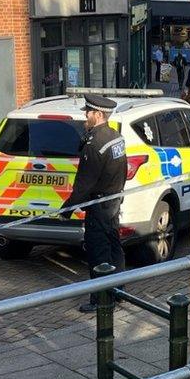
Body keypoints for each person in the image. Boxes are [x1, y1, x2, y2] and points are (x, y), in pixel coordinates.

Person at [60, 95, 128, 313]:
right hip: (113, 201)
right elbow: (123, 171)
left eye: (88, 113)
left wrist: (68, 208)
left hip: (99, 205)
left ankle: (100, 301)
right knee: (114, 247)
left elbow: (84, 183)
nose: (85, 116)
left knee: (98, 252)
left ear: (98, 114)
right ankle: (118, 292)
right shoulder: (116, 137)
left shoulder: (95, 144)